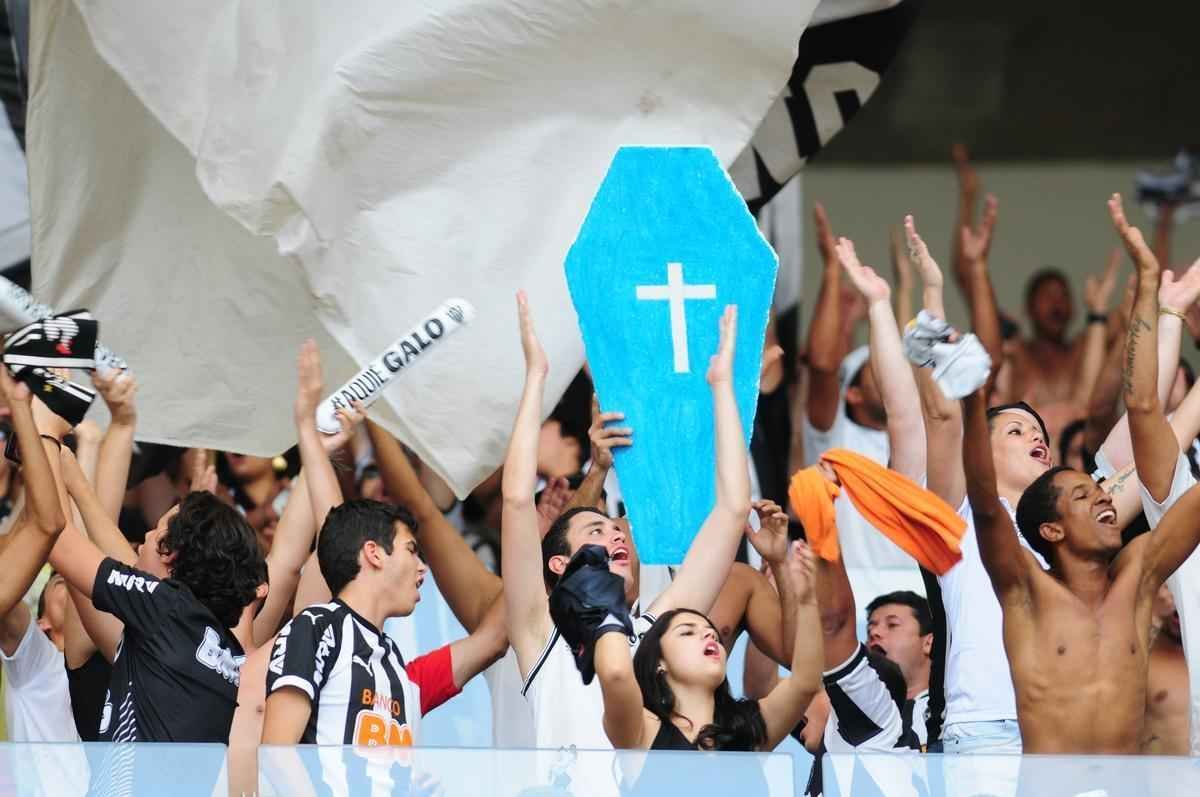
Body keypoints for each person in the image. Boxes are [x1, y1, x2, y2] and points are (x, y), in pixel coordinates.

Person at [958, 201, 1200, 752]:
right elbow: (985, 502)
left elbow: (1148, 417)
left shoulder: (1137, 573)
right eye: (1015, 430)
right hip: (997, 750)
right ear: (1051, 529)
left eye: (1098, 491)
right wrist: (971, 398)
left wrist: (1155, 296)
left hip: (1125, 784)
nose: (1102, 499)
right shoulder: (1021, 583)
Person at [503, 293, 761, 750]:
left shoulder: (657, 633)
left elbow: (732, 511)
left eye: (617, 529)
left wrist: (721, 387)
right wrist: (536, 377)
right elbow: (517, 500)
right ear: (559, 565)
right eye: (596, 530)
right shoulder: (540, 630)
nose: (616, 534)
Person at [261, 340, 507, 747]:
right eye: (411, 550)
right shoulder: (317, 627)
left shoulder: (396, 669)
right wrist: (310, 438)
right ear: (373, 553)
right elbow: (277, 754)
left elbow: (495, 638)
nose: (423, 566)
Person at [866, 590, 933, 746]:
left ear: (929, 643)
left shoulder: (953, 712)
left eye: (892, 625)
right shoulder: (851, 714)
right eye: (869, 629)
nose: (874, 633)